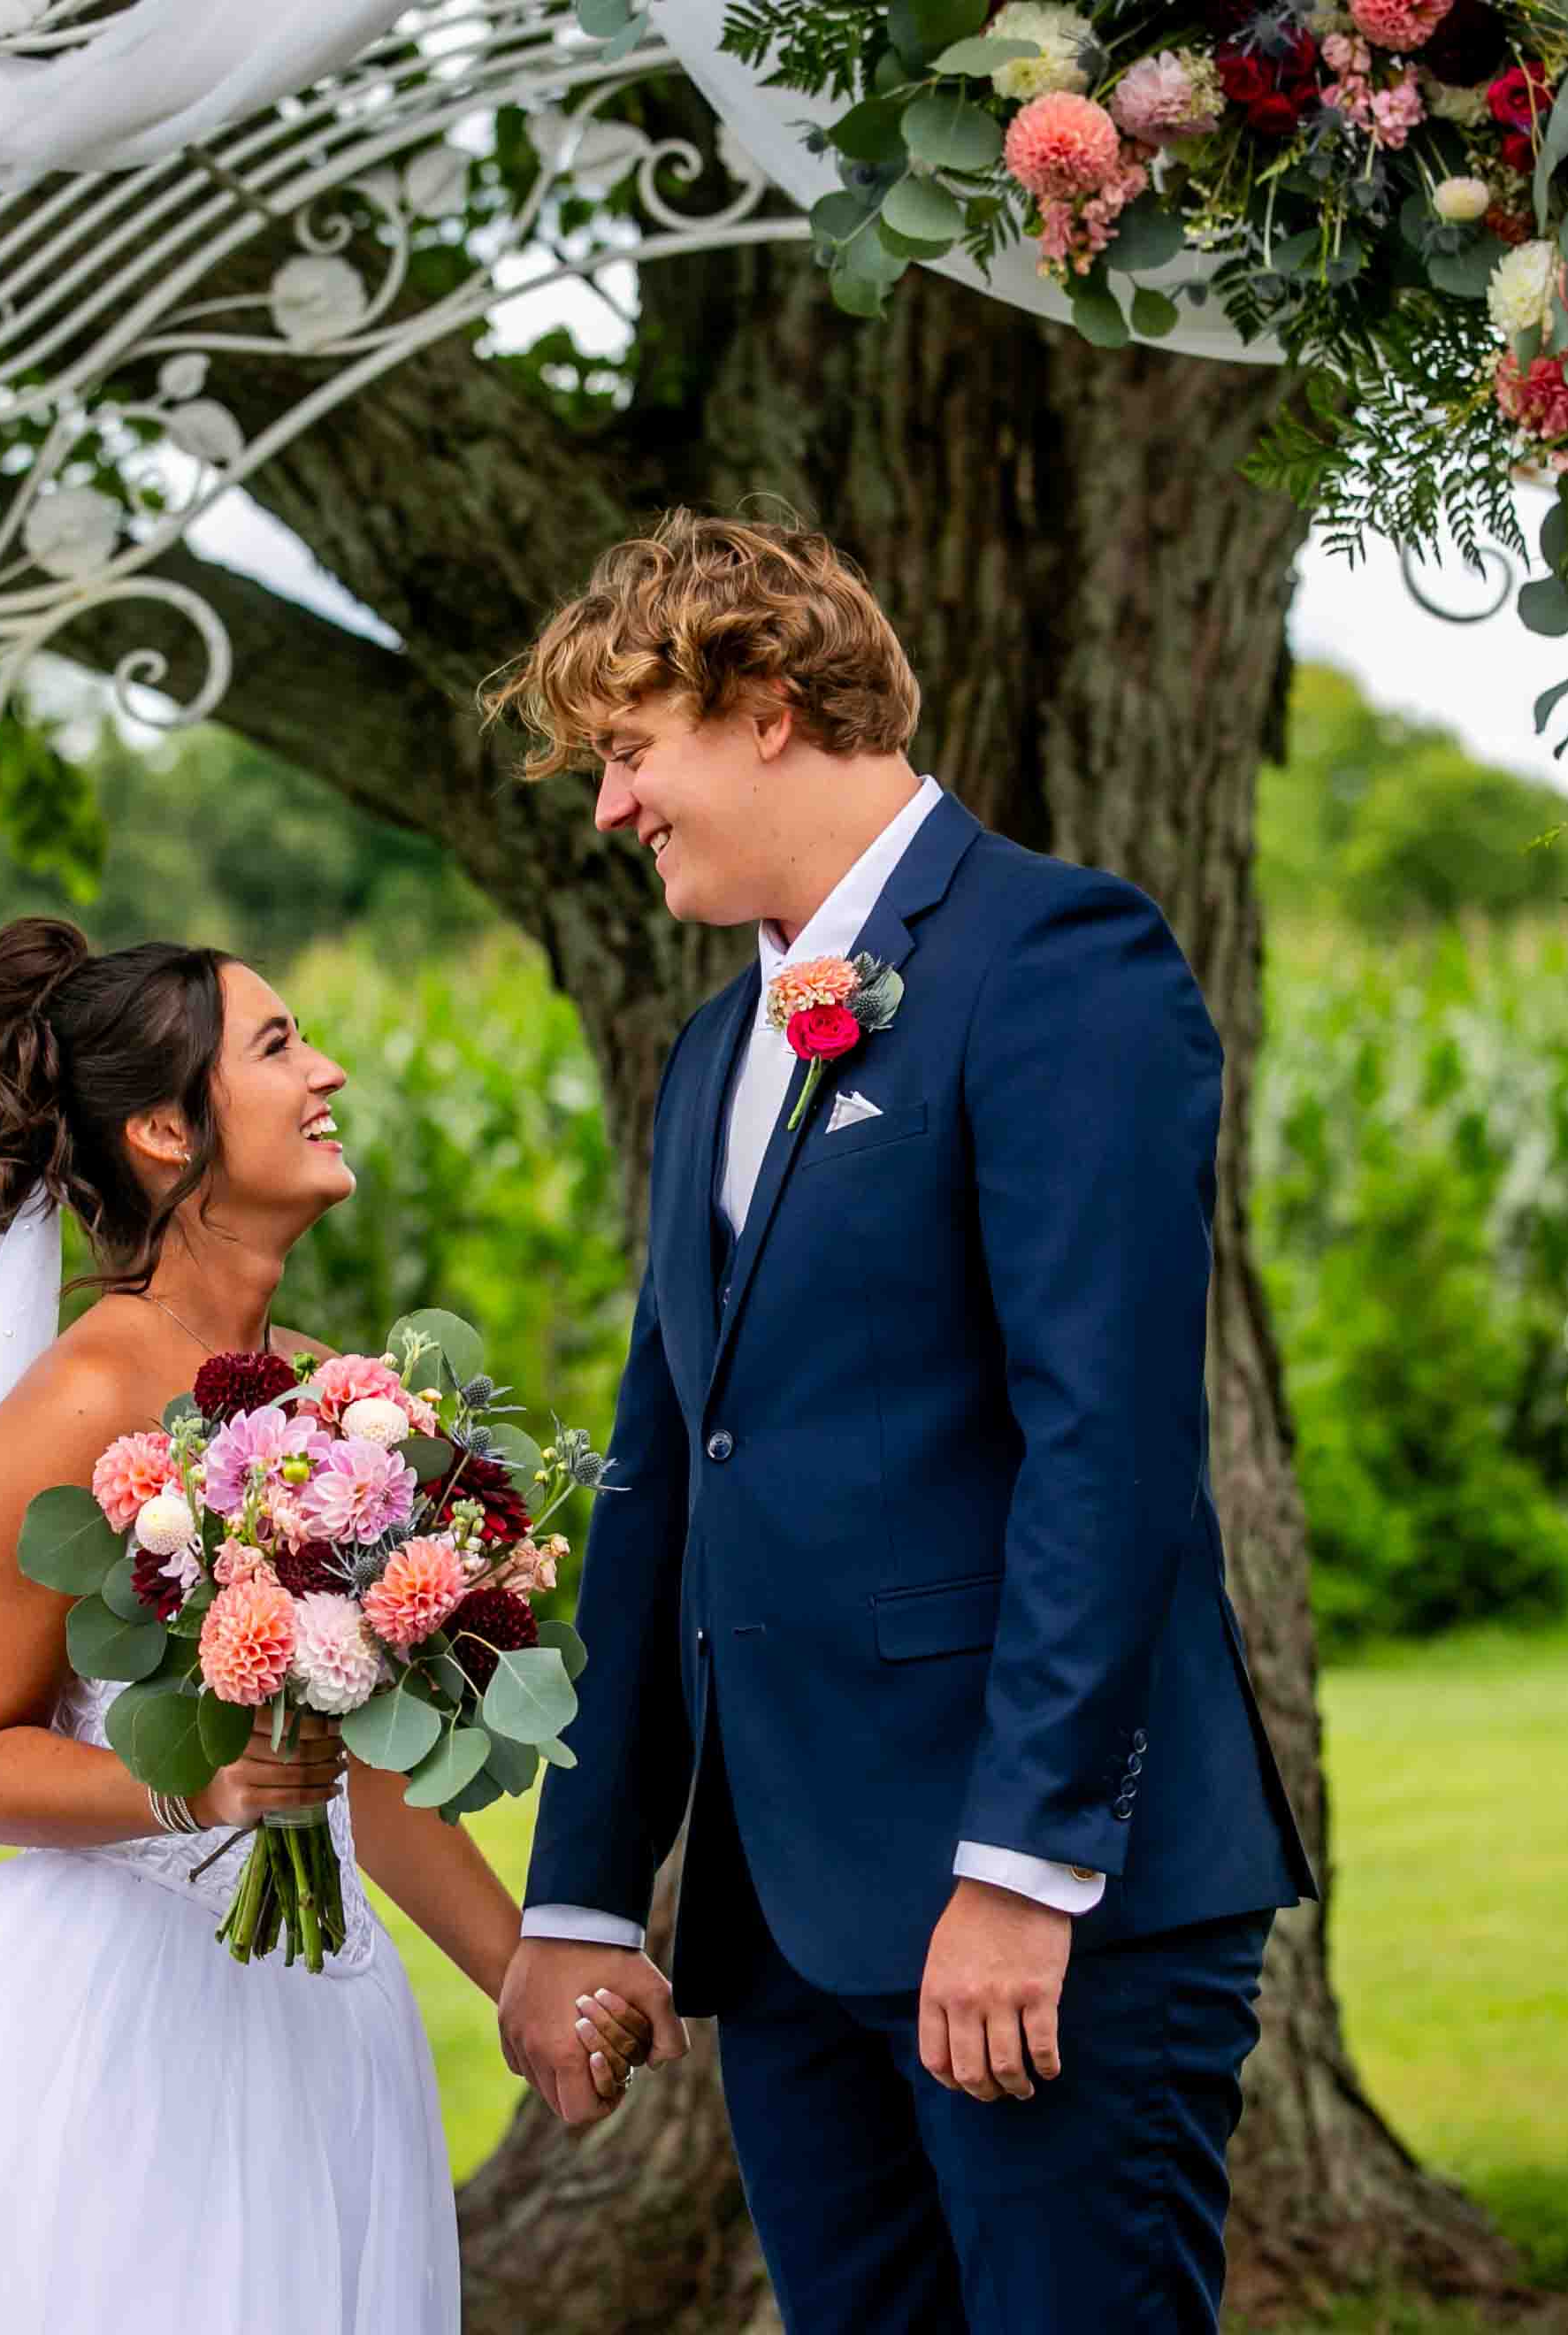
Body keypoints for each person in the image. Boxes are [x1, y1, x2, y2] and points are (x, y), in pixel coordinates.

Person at [481, 512, 1321, 2332]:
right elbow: (660, 1483)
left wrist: (1023, 1872)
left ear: (766, 705)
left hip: (1036, 1907)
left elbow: (1104, 1445)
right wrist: (582, 1892)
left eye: (631, 751)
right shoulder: (716, 1051)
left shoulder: (1062, 964)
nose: (611, 808)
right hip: (787, 1928)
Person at [0, 920, 648, 2333]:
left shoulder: (334, 1406)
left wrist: (523, 1979)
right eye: (281, 1048)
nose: (331, 1072)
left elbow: (358, 1767)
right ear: (168, 1130)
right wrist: (199, 1785)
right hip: (109, 2022)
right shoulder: (73, 1406)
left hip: (316, 2013)